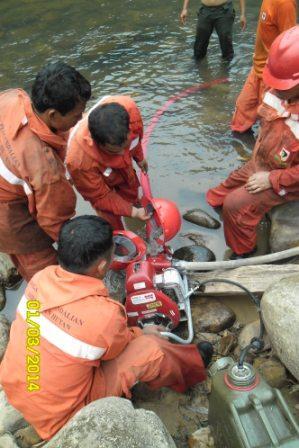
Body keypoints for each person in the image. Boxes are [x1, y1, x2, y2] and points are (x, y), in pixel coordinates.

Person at [0, 215, 212, 441]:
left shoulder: (40, 278)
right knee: (152, 349)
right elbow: (119, 348)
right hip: (61, 416)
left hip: (20, 388)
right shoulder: (105, 316)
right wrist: (143, 332)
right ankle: (192, 368)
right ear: (102, 266)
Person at [207, 26, 299, 259]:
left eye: (283, 85)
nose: (275, 88)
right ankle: (231, 223)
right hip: (261, 162)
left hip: (284, 178)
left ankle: (245, 252)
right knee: (218, 194)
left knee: (235, 205)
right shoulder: (279, 88)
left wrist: (271, 180)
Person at [0, 62, 91, 281]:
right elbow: (56, 222)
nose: (80, 119)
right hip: (9, 217)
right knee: (44, 277)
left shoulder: (13, 99)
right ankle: (34, 314)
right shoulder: (45, 168)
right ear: (52, 115)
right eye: (76, 116)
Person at [66, 95, 151, 229]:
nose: (123, 154)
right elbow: (100, 197)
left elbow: (136, 139)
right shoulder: (79, 161)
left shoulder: (130, 111)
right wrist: (133, 212)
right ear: (97, 143)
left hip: (120, 170)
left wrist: (139, 157)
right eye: (114, 152)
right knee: (109, 217)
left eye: (125, 146)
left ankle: (136, 219)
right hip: (96, 174)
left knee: (131, 192)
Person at [231, 0, 297, 133]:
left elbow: (290, 45)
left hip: (272, 76)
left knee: (269, 127)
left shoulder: (285, 4)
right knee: (240, 118)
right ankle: (240, 151)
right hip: (257, 67)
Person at [180, 0, 246, 61]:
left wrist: (242, 14)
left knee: (226, 42)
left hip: (224, 10)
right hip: (205, 10)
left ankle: (226, 70)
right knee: (199, 46)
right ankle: (199, 70)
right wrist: (185, 8)